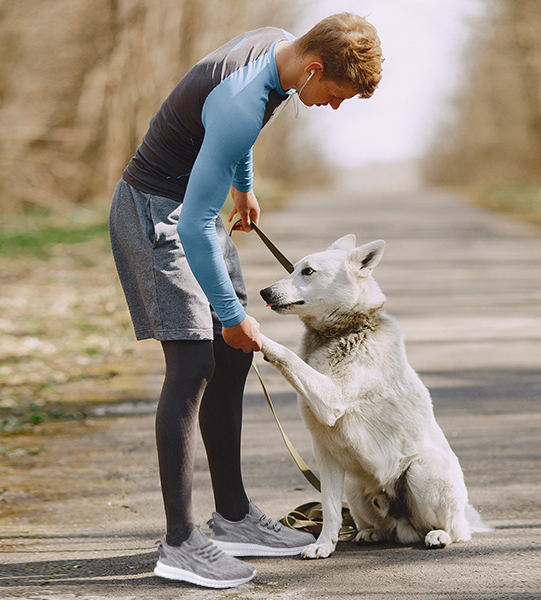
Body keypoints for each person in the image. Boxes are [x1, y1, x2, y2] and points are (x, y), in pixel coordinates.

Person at [107, 13, 382, 589]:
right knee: (194, 364)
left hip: (195, 210)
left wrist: (244, 182)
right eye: (337, 94)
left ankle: (232, 517)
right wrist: (232, 317)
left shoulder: (276, 49)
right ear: (313, 68)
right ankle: (180, 542)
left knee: (234, 356)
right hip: (161, 215)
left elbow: (235, 138)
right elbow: (196, 223)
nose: (335, 107)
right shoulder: (242, 99)